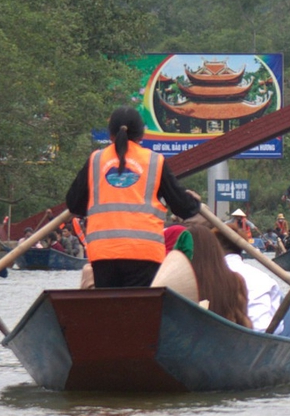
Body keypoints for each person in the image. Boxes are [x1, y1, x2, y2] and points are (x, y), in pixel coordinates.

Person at [66, 106, 202, 288]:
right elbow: (183, 208)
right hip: (144, 253)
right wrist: (195, 202)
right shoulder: (154, 161)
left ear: (110, 135)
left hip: (103, 253)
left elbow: (74, 204)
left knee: (111, 311)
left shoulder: (96, 160)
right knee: (139, 312)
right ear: (141, 135)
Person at [153, 223, 252, 326]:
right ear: (216, 250)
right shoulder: (235, 281)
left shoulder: (175, 283)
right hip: (223, 340)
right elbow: (242, 326)